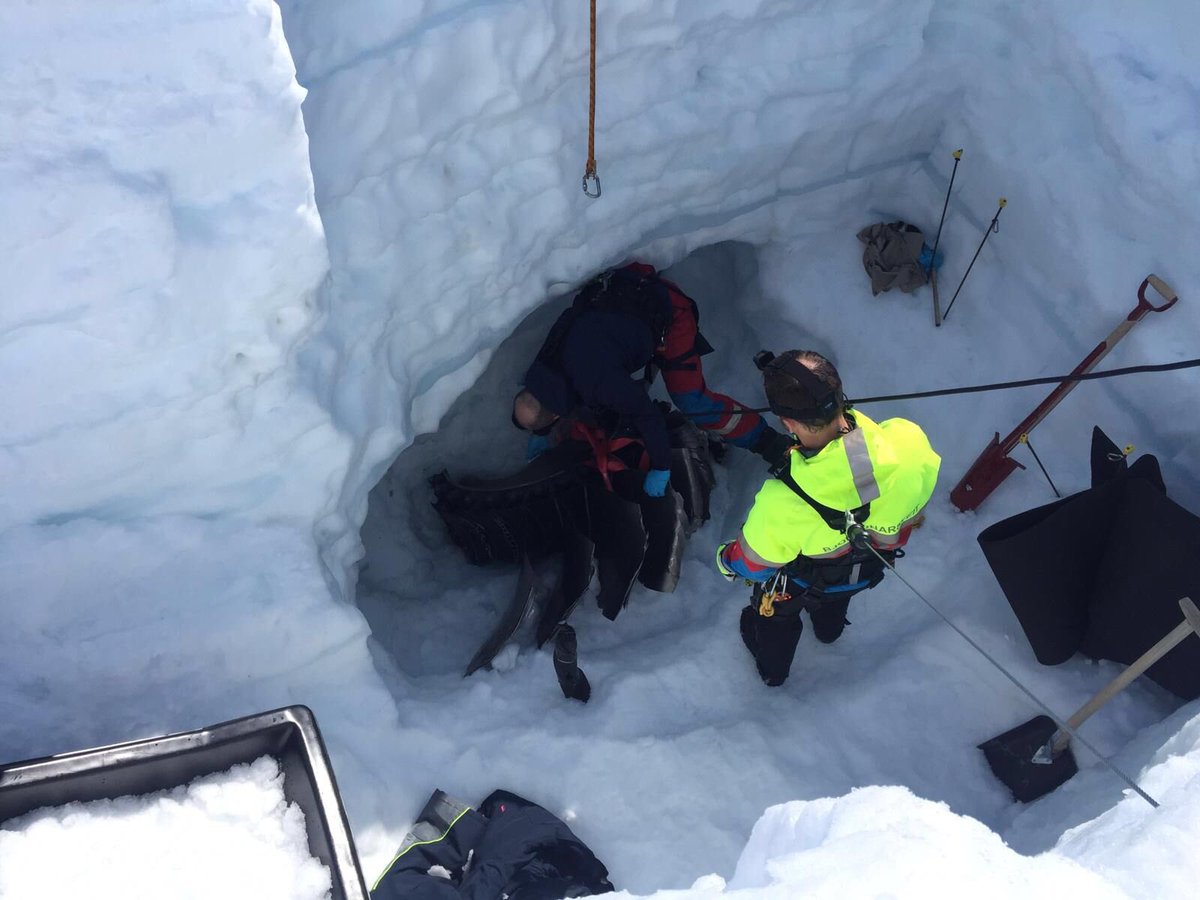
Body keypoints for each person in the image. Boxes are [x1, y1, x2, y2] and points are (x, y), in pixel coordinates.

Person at [716, 350, 940, 686]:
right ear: (839, 396)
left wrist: (725, 558)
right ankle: (829, 631)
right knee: (838, 589)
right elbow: (877, 486)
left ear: (788, 423)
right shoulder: (909, 442)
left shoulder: (782, 504)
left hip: (804, 580)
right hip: (864, 568)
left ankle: (773, 673)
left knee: (776, 615)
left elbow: (752, 565)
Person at [512, 261, 793, 496]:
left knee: (691, 400)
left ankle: (766, 442)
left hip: (670, 314)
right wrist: (540, 431)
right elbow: (540, 402)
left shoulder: (598, 382)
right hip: (625, 296)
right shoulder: (545, 363)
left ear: (554, 416)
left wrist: (661, 466)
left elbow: (646, 415)